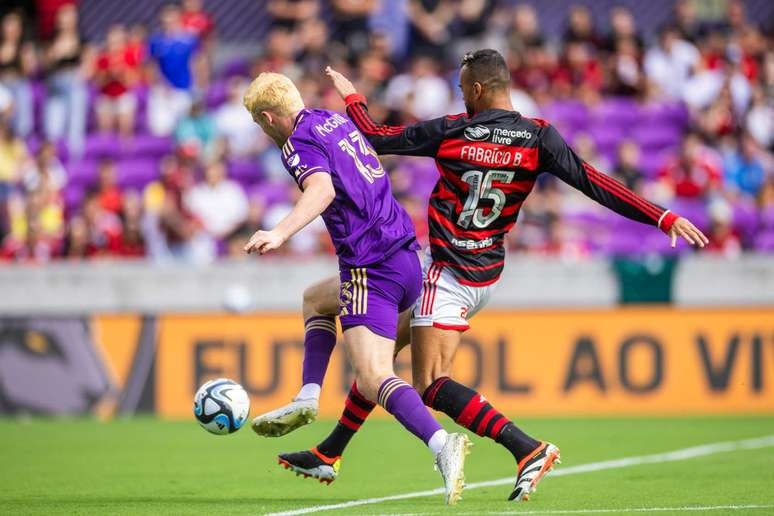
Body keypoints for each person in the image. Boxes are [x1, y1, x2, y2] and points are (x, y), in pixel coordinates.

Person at [254, 49, 709, 502]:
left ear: (474, 89)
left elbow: (374, 136)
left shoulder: (456, 131)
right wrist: (661, 217)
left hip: (444, 273)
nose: (461, 96)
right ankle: (330, 452)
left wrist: (353, 97)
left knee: (425, 382)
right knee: (377, 351)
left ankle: (526, 448)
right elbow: (593, 181)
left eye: (461, 88)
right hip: (486, 272)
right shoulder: (538, 137)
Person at [241, 71, 471, 505]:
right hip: (406, 256)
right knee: (316, 299)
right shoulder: (330, 119)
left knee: (374, 375)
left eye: (259, 125)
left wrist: (280, 231)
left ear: (269, 118)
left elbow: (321, 189)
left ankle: (443, 445)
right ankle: (309, 399)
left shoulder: (295, 142)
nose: (263, 132)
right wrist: (353, 96)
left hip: (371, 267)